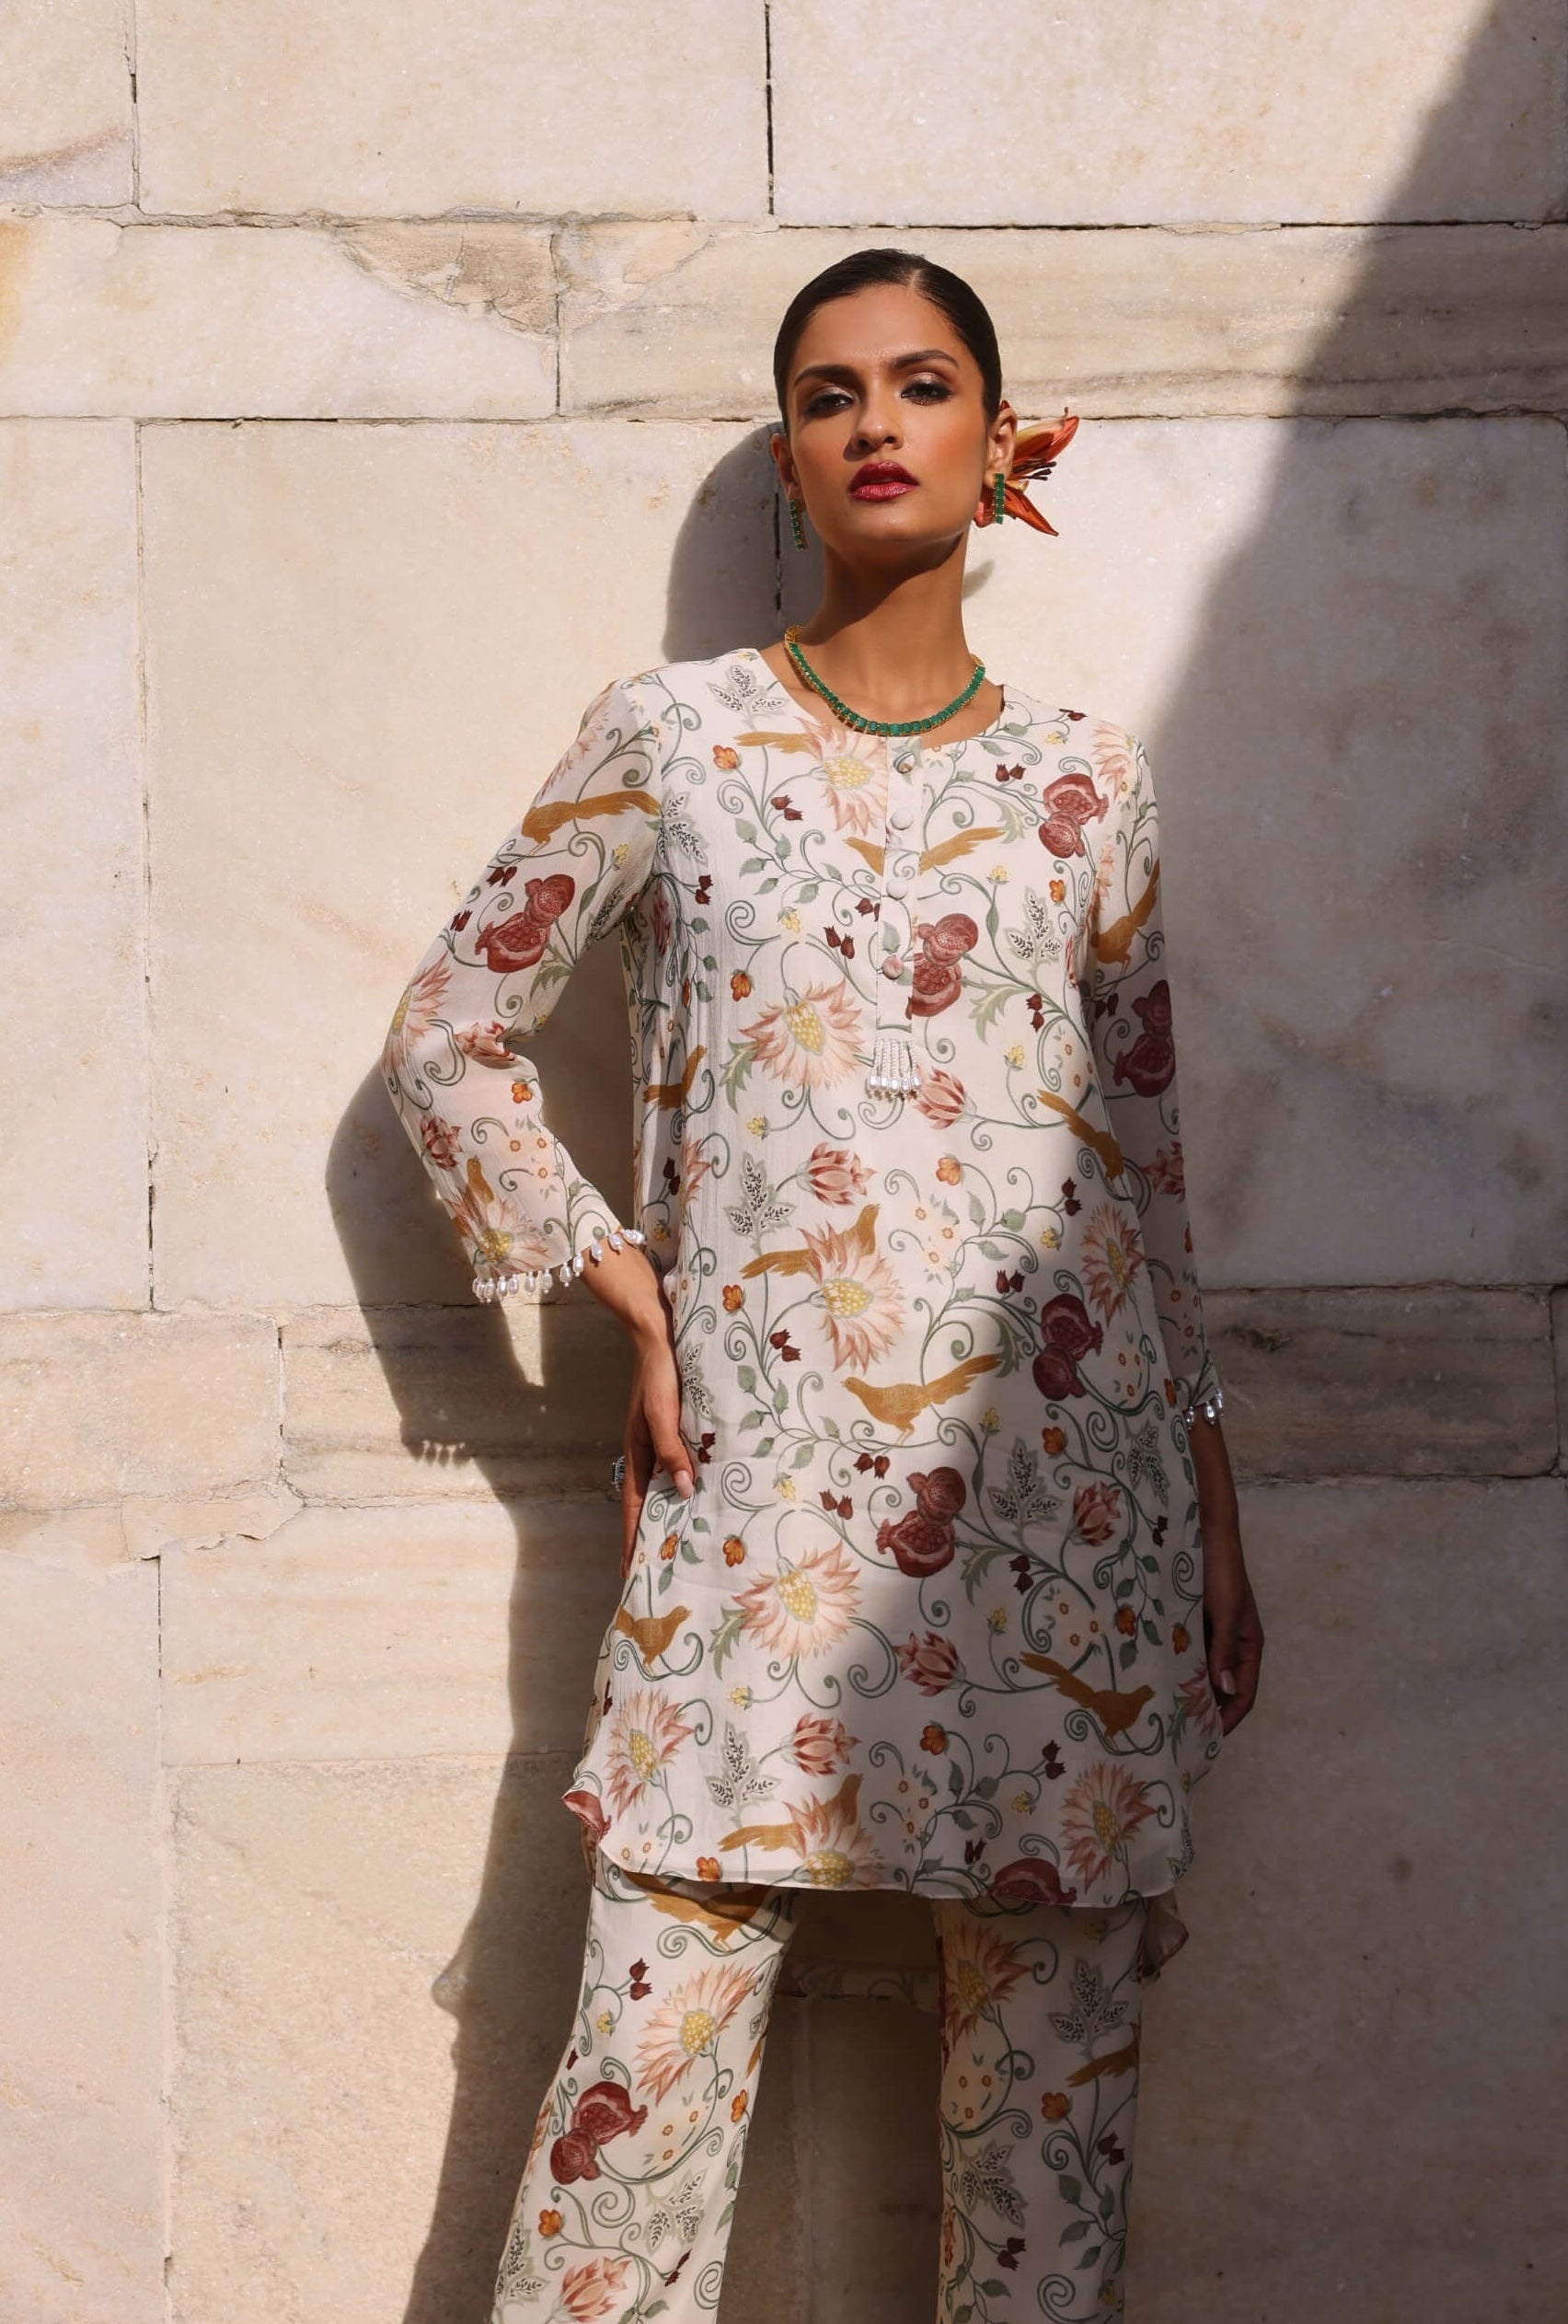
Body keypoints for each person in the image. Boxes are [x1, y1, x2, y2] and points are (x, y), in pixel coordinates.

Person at [382, 247, 1264, 2324]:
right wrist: (622, 1283)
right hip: (762, 1519)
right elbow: (451, 1030)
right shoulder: (671, 738)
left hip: (1075, 1519)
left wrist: (1213, 1484)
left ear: (1001, 444)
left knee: (1049, 2153)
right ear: (790, 456)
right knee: (634, 2115)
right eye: (831, 393)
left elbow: (1141, 1164)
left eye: (924, 383)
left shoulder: (1085, 781)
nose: (878, 422)